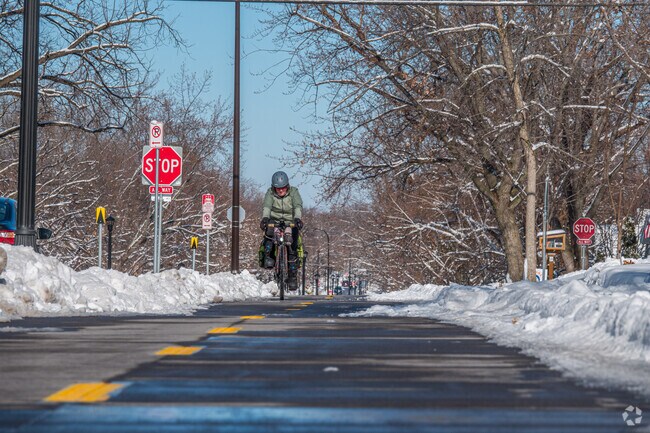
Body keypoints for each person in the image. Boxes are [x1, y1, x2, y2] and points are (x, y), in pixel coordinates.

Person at [260, 171, 304, 291]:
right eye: (277, 188)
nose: (280, 190)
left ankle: (292, 276)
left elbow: (298, 206)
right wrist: (265, 218)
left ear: (287, 186)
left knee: (292, 245)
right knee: (269, 234)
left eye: (283, 188)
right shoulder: (270, 193)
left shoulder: (294, 192)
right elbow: (267, 206)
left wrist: (297, 219)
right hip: (274, 220)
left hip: (291, 220)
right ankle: (269, 257)